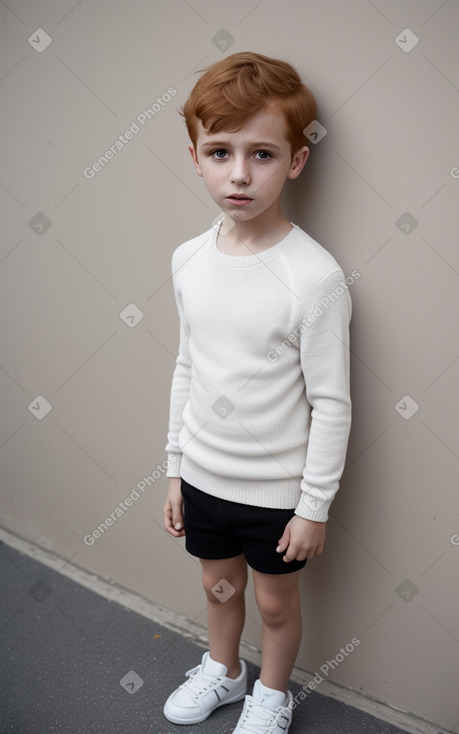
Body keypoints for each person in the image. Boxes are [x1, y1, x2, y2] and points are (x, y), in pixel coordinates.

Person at [162, 51, 352, 733]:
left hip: (275, 493)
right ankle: (224, 671)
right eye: (220, 151)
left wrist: (313, 507)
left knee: (274, 605)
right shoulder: (189, 259)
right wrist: (176, 469)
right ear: (195, 157)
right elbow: (188, 366)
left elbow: (330, 402)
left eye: (262, 154)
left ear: (296, 162)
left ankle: (270, 695)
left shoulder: (314, 277)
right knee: (219, 590)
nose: (238, 173)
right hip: (207, 479)